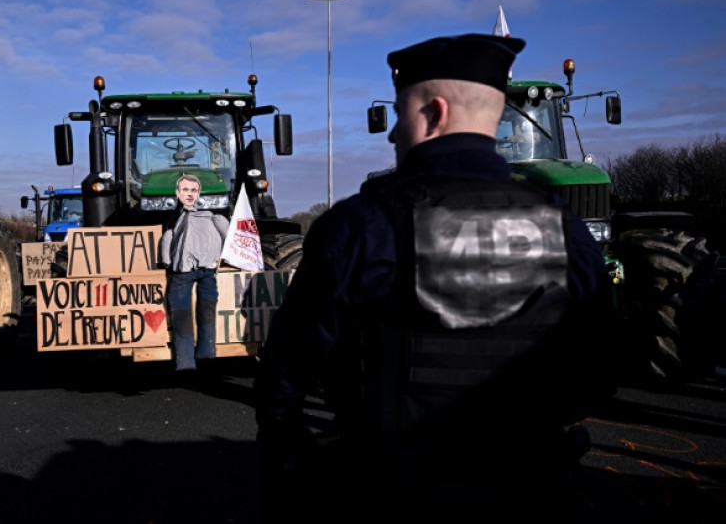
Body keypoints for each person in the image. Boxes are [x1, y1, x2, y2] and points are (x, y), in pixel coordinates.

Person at [253, 34, 619, 522]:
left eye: (400, 115)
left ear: (433, 113)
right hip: (529, 492)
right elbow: (599, 372)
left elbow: (285, 377)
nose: (392, 135)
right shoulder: (564, 227)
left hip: (391, 495)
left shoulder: (360, 225)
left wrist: (296, 460)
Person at [159, 174, 229, 372]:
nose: (189, 194)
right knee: (181, 313)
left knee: (207, 309)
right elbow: (168, 237)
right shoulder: (174, 217)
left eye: (193, 190)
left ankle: (207, 353)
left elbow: (226, 233)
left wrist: (228, 255)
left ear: (199, 193)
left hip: (207, 268)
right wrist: (166, 259)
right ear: (177, 193)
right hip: (182, 269)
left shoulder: (213, 215)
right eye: (185, 190)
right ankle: (185, 361)